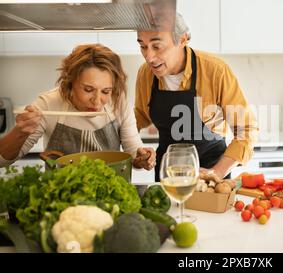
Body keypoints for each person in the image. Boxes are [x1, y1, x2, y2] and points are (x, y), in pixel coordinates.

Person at [134, 13, 259, 181]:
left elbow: (247, 130)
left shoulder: (215, 71)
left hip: (212, 173)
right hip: (167, 176)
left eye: (157, 46)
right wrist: (136, 150)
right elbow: (139, 117)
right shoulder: (145, 74)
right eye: (143, 46)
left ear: (182, 39)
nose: (149, 57)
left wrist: (216, 172)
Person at [0, 44, 156, 170]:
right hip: (61, 199)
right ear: (70, 83)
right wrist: (20, 132)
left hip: (109, 198)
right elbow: (3, 161)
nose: (96, 101)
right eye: (88, 90)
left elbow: (133, 151)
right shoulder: (47, 104)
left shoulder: (118, 102)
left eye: (105, 91)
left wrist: (143, 158)